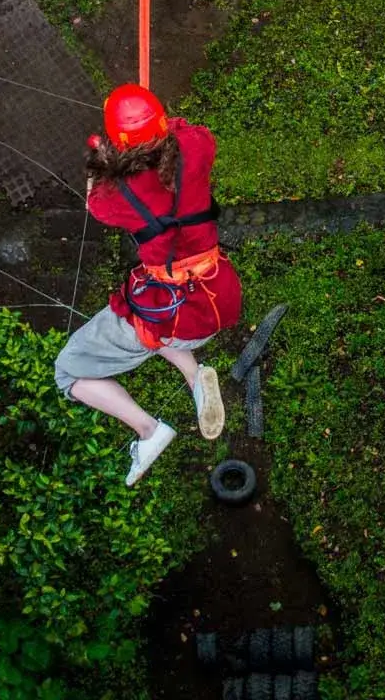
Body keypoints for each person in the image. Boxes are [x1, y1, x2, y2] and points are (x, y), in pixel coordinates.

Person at [55, 84, 242, 486]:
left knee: (68, 371)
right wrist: (156, 124)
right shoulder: (196, 147)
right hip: (217, 291)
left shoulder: (113, 195)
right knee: (162, 324)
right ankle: (196, 380)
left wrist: (102, 160)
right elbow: (187, 131)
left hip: (168, 302)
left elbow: (94, 199)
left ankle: (149, 431)